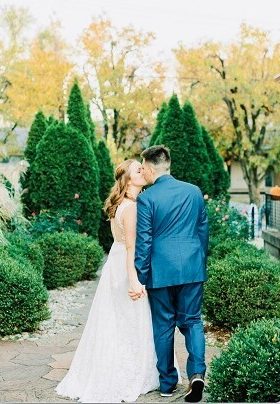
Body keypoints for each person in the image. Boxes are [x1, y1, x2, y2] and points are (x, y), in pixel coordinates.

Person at [55, 159, 181, 403]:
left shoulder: (122, 203)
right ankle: (132, 373)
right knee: (134, 320)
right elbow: (132, 246)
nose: (143, 170)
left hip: (116, 262)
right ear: (128, 179)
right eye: (137, 170)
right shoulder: (133, 207)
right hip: (127, 266)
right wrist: (135, 279)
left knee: (118, 319)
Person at [132, 145, 209, 402]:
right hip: (191, 268)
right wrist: (198, 262)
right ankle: (197, 374)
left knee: (163, 326)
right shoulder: (194, 192)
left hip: (161, 271)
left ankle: (167, 384)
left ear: (151, 168)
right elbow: (202, 232)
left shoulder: (147, 198)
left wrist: (140, 276)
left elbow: (144, 241)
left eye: (143, 167)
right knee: (193, 321)